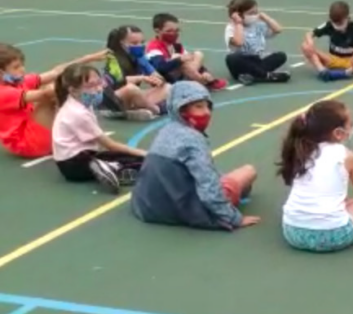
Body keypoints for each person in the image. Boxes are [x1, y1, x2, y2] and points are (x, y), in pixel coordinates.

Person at [131, 81, 260, 231]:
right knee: (248, 172)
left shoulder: (165, 131)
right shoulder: (193, 139)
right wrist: (234, 219)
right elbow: (208, 188)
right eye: (199, 106)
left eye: (207, 106)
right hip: (186, 210)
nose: (206, 112)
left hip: (149, 207)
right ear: (182, 109)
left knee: (218, 176)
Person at [279, 100, 353, 252]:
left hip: (292, 232)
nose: (352, 128)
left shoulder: (300, 151)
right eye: (350, 124)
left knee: (343, 202)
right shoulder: (346, 156)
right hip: (333, 235)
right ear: (338, 133)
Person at [0, 43, 107, 158]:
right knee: (49, 93)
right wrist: (81, 86)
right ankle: (76, 129)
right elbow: (46, 93)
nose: (22, 69)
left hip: (30, 130)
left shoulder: (19, 82)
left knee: (50, 86)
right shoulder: (3, 92)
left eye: (22, 65)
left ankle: (71, 130)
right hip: (27, 144)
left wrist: (89, 58)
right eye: (16, 67)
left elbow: (56, 72)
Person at [51, 64, 146, 194]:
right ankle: (109, 167)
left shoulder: (77, 102)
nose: (98, 90)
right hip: (76, 164)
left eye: (99, 83)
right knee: (142, 162)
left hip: (72, 161)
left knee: (128, 158)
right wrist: (143, 153)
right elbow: (110, 145)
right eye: (90, 86)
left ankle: (105, 166)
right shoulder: (78, 113)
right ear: (73, 90)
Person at [101, 25, 169, 121]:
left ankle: (133, 111)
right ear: (122, 44)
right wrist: (142, 78)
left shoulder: (140, 58)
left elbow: (156, 74)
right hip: (113, 99)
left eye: (142, 42)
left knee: (167, 88)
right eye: (134, 43)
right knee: (131, 89)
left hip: (132, 99)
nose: (139, 46)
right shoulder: (113, 60)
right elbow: (119, 81)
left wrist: (157, 80)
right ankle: (157, 110)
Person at [301, 1, 353, 82]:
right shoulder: (329, 25)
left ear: (347, 18)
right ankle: (322, 71)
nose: (337, 26)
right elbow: (309, 34)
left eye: (340, 23)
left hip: (352, 61)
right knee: (305, 46)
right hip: (332, 60)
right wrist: (310, 43)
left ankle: (348, 72)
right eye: (335, 23)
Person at [146, 12, 227, 90]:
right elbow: (160, 68)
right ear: (157, 31)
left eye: (177, 30)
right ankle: (205, 82)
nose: (174, 33)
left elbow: (190, 60)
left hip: (181, 75)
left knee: (198, 54)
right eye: (169, 31)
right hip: (164, 79)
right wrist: (179, 60)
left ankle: (204, 78)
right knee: (178, 58)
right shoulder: (154, 47)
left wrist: (204, 72)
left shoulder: (176, 45)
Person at [224, 0, 291, 85]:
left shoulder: (257, 25)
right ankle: (267, 76)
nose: (254, 15)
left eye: (256, 12)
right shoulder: (231, 28)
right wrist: (238, 23)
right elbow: (239, 42)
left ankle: (254, 77)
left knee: (281, 56)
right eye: (250, 13)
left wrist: (266, 18)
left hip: (256, 61)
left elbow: (278, 29)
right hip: (241, 64)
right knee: (231, 58)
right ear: (239, 15)